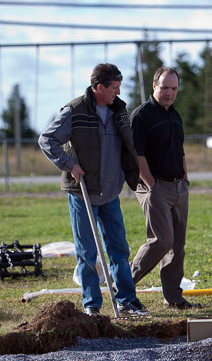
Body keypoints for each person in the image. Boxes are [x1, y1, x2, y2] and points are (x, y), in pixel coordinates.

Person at [38, 63, 149, 316]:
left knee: (119, 250)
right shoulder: (74, 111)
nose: (117, 94)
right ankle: (92, 306)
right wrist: (70, 165)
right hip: (83, 193)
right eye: (114, 88)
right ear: (99, 88)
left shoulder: (119, 111)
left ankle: (126, 300)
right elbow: (47, 139)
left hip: (110, 194)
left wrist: (125, 175)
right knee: (87, 252)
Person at [130, 67, 201, 310]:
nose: (169, 93)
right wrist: (152, 186)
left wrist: (185, 180)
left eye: (174, 89)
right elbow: (136, 155)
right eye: (164, 88)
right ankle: (125, 288)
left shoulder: (175, 115)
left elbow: (180, 151)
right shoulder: (141, 116)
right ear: (154, 86)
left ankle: (173, 298)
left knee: (177, 246)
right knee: (162, 240)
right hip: (154, 185)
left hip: (178, 187)